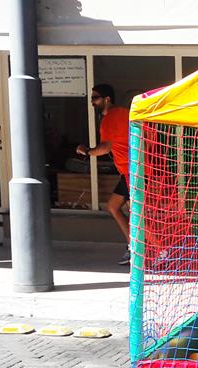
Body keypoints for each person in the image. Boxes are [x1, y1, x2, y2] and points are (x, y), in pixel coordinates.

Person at [76, 84, 131, 265]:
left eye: (95, 97)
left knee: (137, 214)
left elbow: (105, 147)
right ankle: (133, 246)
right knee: (114, 206)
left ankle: (158, 251)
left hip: (133, 173)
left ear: (107, 99)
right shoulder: (125, 112)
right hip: (132, 170)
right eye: (92, 98)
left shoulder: (109, 118)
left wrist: (87, 152)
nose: (93, 101)